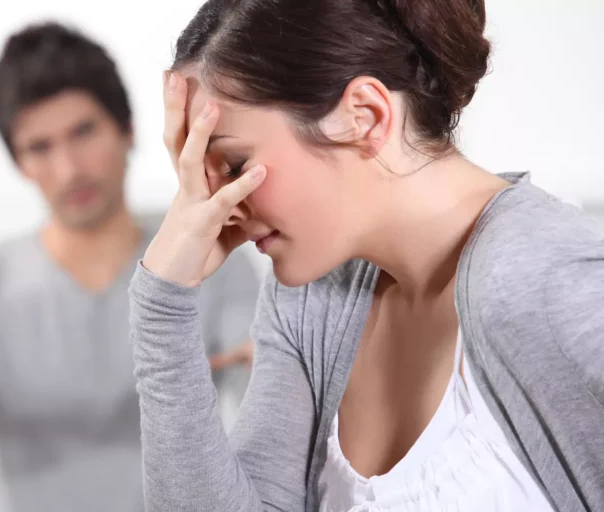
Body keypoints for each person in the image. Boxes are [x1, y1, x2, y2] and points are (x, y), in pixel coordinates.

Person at [129, 1, 604, 511]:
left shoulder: (546, 278)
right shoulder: (311, 301)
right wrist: (161, 307)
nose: (213, 206)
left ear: (366, 116)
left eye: (233, 162)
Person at [0, 21, 260, 512]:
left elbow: (264, 413)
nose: (69, 169)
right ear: (18, 162)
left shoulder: (210, 255)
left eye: (83, 132)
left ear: (127, 130)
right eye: (39, 147)